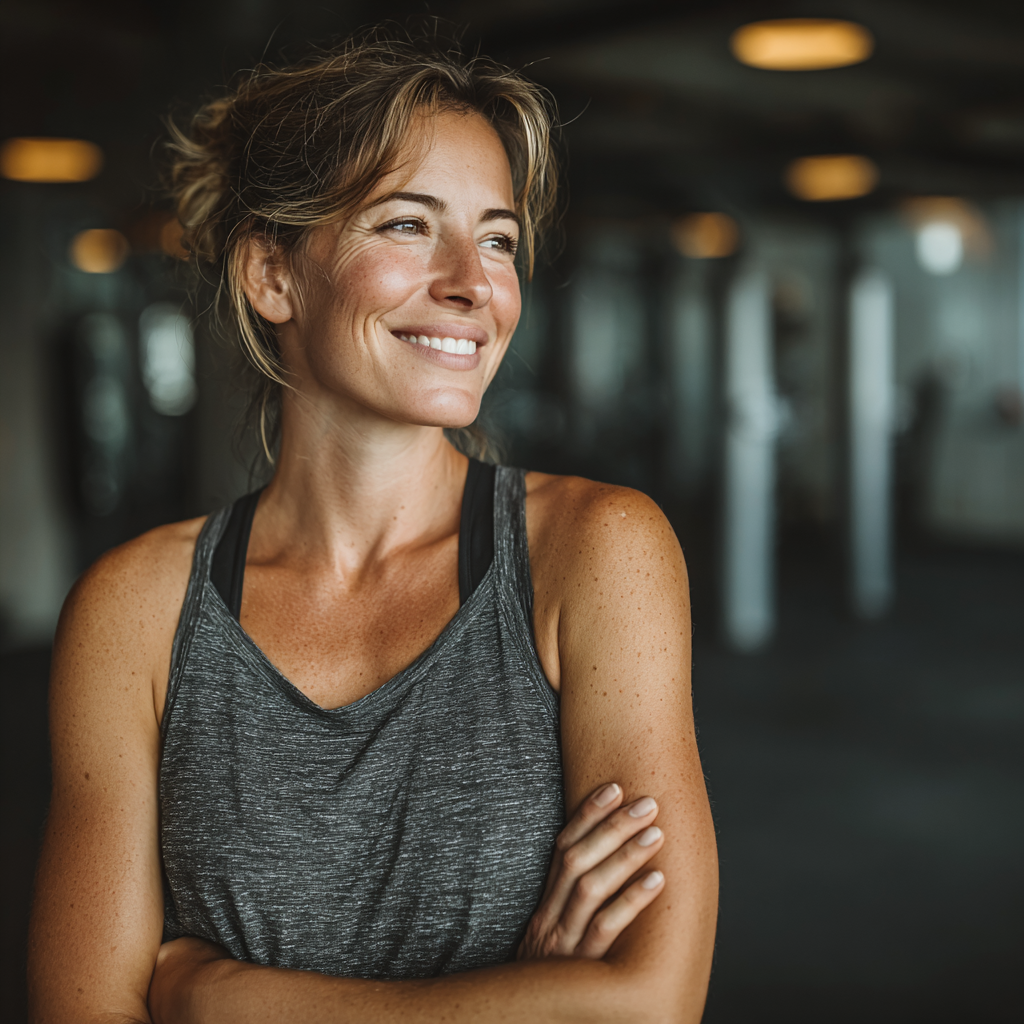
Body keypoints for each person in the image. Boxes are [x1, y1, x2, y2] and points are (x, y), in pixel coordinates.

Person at [28, 31, 718, 1024]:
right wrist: (516, 998)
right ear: (273, 275)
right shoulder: (135, 610)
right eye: (407, 225)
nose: (472, 284)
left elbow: (648, 1005)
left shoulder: (595, 551)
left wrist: (223, 995)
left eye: (497, 239)